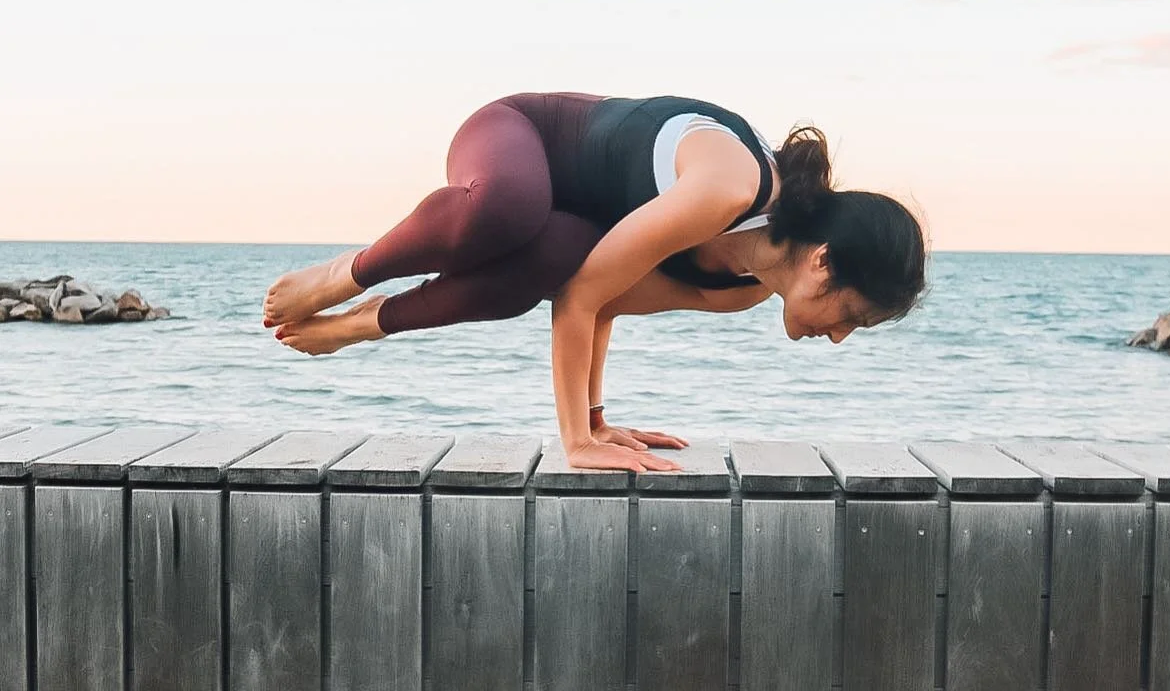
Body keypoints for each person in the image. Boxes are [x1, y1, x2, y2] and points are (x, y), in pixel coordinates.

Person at [262, 92, 927, 474]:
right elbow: (586, 300)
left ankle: (364, 321)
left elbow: (596, 292)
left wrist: (598, 422)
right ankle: (344, 275)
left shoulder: (744, 286)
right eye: (852, 315)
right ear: (824, 261)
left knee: (551, 258)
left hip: (570, 219)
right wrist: (574, 440)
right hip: (517, 135)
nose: (838, 336)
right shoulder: (728, 186)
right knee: (511, 209)